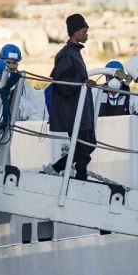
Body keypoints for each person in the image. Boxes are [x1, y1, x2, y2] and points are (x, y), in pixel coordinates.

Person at [45, 14, 96, 181]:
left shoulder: (74, 53)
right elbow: (61, 81)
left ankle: (56, 168)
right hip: (74, 112)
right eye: (84, 31)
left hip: (82, 112)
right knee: (82, 148)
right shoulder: (67, 55)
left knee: (89, 144)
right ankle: (81, 179)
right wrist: (82, 82)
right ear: (75, 33)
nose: (86, 35)